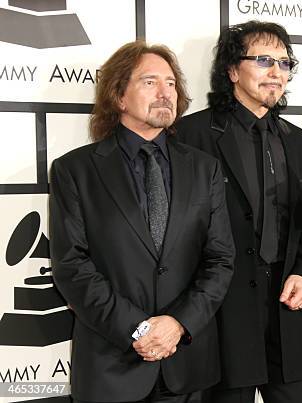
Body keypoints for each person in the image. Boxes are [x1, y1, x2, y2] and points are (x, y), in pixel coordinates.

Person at [49, 41, 235, 403]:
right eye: (150, 82)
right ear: (119, 95)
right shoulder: (76, 171)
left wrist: (178, 324)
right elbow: (72, 267)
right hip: (112, 366)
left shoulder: (204, 168)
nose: (166, 92)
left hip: (186, 366)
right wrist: (139, 330)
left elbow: (220, 259)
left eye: (171, 83)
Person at [176, 21, 302, 403]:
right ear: (231, 70)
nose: (276, 72)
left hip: (287, 312)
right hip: (222, 314)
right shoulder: (192, 135)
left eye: (284, 63)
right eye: (262, 60)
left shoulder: (301, 141)